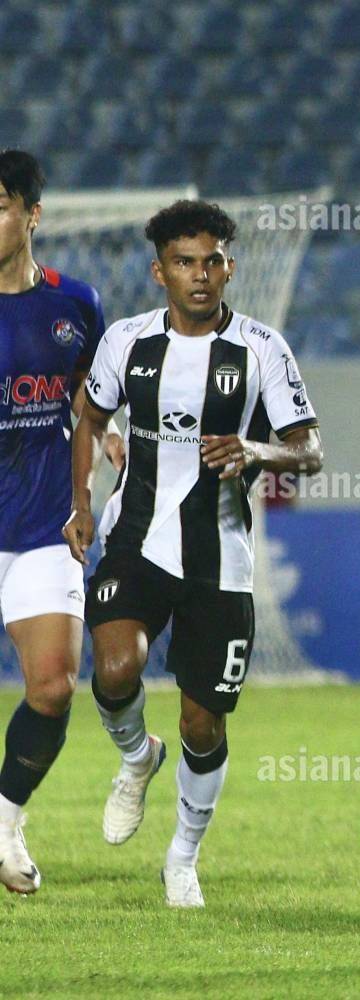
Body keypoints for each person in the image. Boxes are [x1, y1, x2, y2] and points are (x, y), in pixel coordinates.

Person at [64, 200, 324, 908]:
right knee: (115, 668)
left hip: (221, 556)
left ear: (230, 268)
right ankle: (135, 757)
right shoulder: (126, 342)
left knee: (202, 724)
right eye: (184, 263)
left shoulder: (262, 349)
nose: (200, 275)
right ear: (161, 273)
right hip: (136, 538)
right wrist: (81, 503)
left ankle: (182, 857)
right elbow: (89, 418)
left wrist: (256, 449)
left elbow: (309, 450)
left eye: (212, 261)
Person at [0, 149, 111, 894]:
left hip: (43, 521)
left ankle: (4, 822)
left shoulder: (76, 305)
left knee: (53, 686)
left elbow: (87, 401)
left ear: (32, 215)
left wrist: (104, 444)